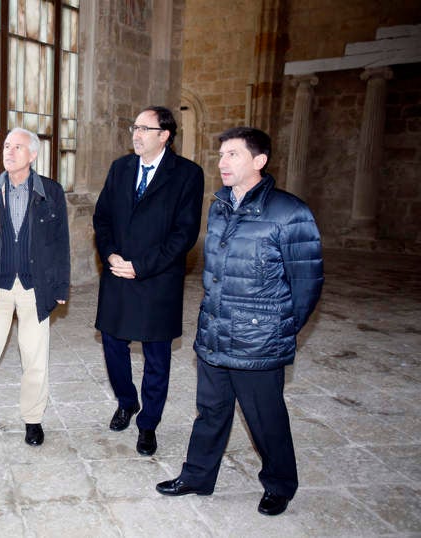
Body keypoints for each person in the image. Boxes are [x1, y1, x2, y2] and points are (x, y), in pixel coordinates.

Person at [156, 127, 324, 516]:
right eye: (220, 155)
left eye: (233, 154)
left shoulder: (290, 212)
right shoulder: (219, 205)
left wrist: (275, 328)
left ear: (259, 161)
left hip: (258, 341)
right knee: (211, 410)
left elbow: (307, 284)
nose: (222, 163)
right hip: (215, 331)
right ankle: (197, 475)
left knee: (265, 418)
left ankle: (280, 484)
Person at [93, 106, 204, 456]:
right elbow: (102, 218)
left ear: (164, 135)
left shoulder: (187, 174)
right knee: (112, 343)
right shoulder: (120, 168)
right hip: (116, 274)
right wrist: (110, 254)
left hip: (157, 278)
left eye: (144, 128)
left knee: (157, 356)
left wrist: (140, 266)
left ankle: (148, 425)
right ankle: (127, 402)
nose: (136, 134)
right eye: (134, 127)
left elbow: (183, 234)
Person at [0, 127, 70, 446]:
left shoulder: (51, 191)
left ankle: (33, 420)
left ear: (33, 155)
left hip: (36, 288)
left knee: (35, 356)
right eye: (6, 146)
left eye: (17, 147)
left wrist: (61, 287)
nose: (9, 152)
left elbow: (60, 243)